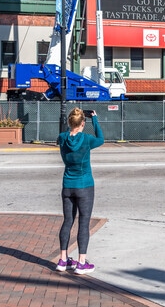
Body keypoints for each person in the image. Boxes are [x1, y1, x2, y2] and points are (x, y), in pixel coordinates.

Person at [55, 107, 104, 274]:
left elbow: (65, 135)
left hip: (67, 185)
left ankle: (63, 260)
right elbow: (101, 139)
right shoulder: (87, 139)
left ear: (69, 122)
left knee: (67, 221)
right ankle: (81, 262)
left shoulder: (62, 138)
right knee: (84, 222)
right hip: (84, 185)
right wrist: (94, 119)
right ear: (83, 123)